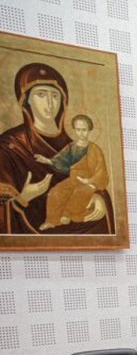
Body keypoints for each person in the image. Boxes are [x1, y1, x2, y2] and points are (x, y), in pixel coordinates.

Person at [0, 62, 113, 235]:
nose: (49, 102)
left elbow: (97, 175)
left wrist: (98, 196)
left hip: (81, 218)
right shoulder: (10, 145)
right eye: (40, 94)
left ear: (63, 100)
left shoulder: (77, 145)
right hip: (33, 231)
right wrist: (23, 198)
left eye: (54, 95)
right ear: (26, 100)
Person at [36, 114, 108, 230]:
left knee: (79, 192)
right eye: (78, 130)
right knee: (55, 192)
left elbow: (101, 170)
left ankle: (67, 215)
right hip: (74, 179)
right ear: (74, 130)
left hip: (89, 181)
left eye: (84, 130)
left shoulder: (95, 149)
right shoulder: (71, 147)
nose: (81, 133)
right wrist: (47, 160)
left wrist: (90, 181)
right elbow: (61, 160)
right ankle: (51, 221)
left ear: (89, 130)